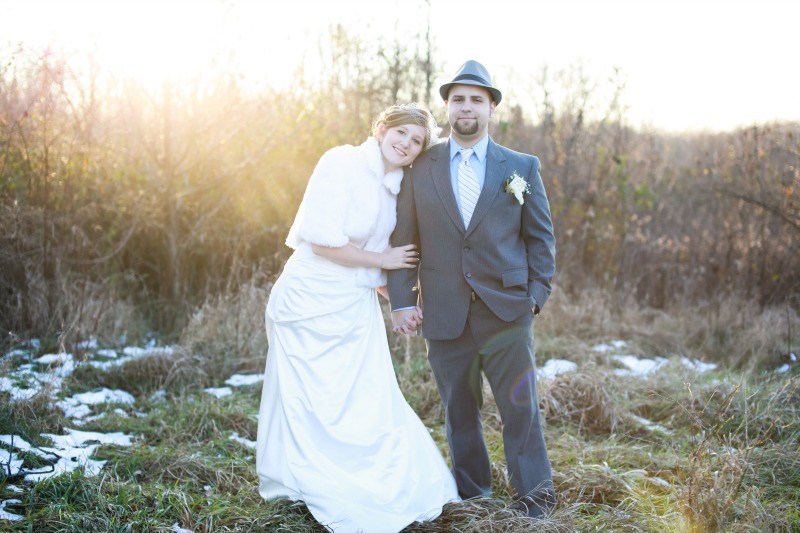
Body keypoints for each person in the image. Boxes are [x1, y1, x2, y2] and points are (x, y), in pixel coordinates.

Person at [255, 103, 460, 532]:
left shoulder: (398, 183)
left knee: (366, 395)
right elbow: (325, 242)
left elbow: (372, 256)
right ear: (382, 129)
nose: (406, 144)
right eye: (401, 133)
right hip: (308, 301)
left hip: (353, 303)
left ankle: (373, 480)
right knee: (310, 401)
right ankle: (310, 478)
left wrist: (397, 301)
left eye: (417, 141)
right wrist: (383, 259)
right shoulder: (341, 162)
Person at [387, 61, 557, 518]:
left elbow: (541, 238)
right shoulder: (420, 165)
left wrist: (535, 297)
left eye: (476, 99)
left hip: (507, 312)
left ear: (491, 107)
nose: (466, 107)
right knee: (459, 413)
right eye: (458, 99)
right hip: (444, 314)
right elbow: (405, 239)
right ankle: (474, 499)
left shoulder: (520, 167)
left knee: (521, 411)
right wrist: (402, 300)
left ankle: (536, 502)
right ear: (447, 106)